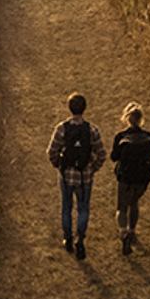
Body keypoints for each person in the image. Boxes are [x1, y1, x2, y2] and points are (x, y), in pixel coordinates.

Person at [47, 93, 101, 260]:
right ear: (84, 108)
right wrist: (92, 168)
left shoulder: (62, 128)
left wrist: (59, 165)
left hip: (66, 175)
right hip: (85, 177)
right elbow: (102, 154)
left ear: (69, 108)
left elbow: (52, 151)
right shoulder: (91, 130)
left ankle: (68, 238)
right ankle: (80, 241)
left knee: (66, 207)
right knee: (83, 209)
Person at [109, 102, 150, 255]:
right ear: (141, 119)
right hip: (142, 179)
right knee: (134, 203)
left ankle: (123, 233)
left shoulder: (121, 136)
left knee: (121, 207)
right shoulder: (148, 136)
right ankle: (132, 231)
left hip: (125, 177)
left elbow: (113, 157)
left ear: (127, 118)